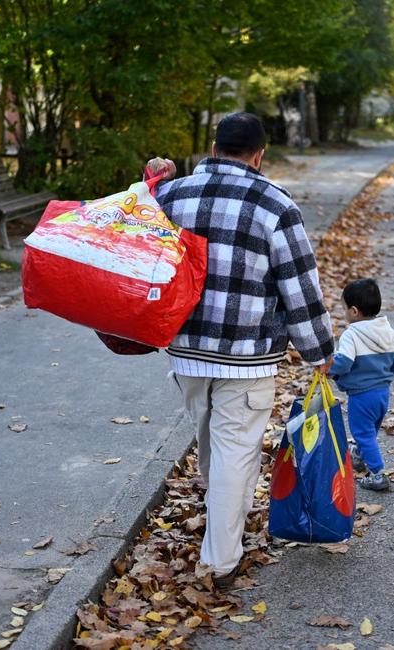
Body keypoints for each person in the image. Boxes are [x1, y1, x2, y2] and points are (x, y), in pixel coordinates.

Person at [147, 112, 334, 587]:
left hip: (185, 350)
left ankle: (220, 526)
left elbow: (137, 240)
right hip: (246, 358)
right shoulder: (276, 206)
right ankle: (220, 561)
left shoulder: (173, 194)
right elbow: (300, 289)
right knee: (234, 453)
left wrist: (152, 179)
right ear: (259, 155)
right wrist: (319, 351)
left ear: (213, 149)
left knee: (214, 447)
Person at [328, 278, 394, 492]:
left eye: (344, 308)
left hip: (361, 396)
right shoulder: (386, 330)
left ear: (354, 311)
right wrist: (390, 374)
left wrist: (329, 370)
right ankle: (359, 456)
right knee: (369, 432)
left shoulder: (351, 334)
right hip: (382, 394)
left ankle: (377, 474)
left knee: (363, 433)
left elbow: (343, 362)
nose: (344, 313)